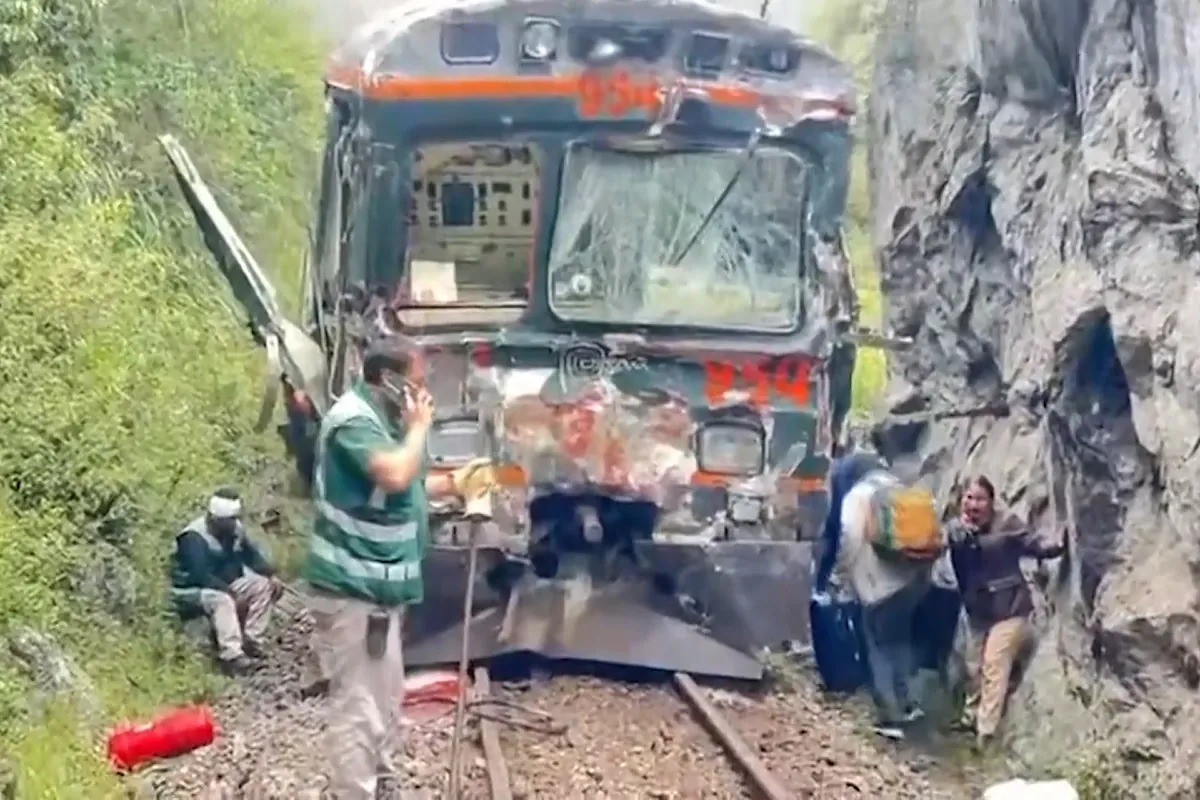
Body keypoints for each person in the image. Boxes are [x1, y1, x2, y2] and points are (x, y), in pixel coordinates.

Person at [306, 333, 494, 799]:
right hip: (355, 592)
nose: (424, 392)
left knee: (386, 702)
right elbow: (393, 472)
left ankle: (383, 785)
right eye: (418, 382)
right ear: (389, 382)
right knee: (360, 708)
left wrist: (455, 483)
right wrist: (418, 428)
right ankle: (356, 792)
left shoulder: (383, 421)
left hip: (380, 593)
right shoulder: (353, 423)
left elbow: (404, 487)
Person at [813, 448, 933, 740]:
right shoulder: (898, 486)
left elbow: (850, 537)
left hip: (879, 585)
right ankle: (910, 704)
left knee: (877, 646)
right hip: (914, 579)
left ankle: (890, 717)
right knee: (900, 640)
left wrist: (840, 575)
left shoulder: (858, 496)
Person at [947, 476, 1067, 747]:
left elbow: (1035, 544)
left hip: (1010, 610)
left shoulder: (1007, 525)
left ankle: (985, 733)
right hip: (978, 612)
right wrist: (961, 537)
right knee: (972, 667)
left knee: (993, 662)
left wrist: (1059, 544)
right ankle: (970, 717)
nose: (973, 504)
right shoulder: (957, 530)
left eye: (979, 498)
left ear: (991, 502)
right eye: (968, 498)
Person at [170, 489, 284, 675]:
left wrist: (270, 575)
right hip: (192, 590)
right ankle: (232, 656)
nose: (234, 523)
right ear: (216, 520)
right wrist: (230, 593)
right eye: (230, 520)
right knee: (221, 600)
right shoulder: (193, 537)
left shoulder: (235, 530)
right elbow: (200, 575)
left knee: (263, 585)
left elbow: (250, 555)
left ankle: (251, 640)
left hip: (223, 585)